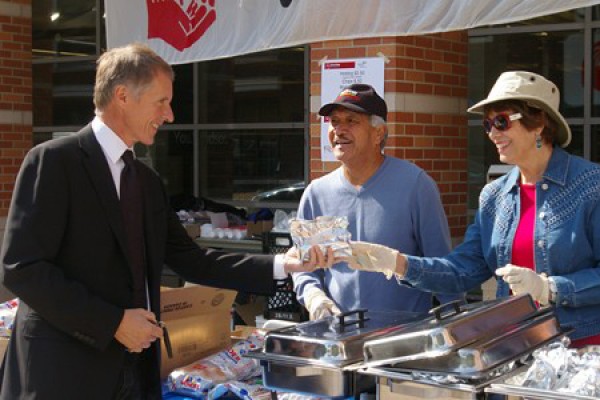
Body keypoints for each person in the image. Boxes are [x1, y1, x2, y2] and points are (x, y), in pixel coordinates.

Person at [0, 43, 322, 399]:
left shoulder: (146, 181)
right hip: (63, 375)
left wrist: (285, 265)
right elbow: (22, 268)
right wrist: (114, 323)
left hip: (135, 374)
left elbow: (192, 260)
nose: (169, 115)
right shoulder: (53, 162)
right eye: (161, 102)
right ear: (122, 95)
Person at [343, 71, 600, 347]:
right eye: (487, 124)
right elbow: (462, 271)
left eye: (502, 121)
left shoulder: (590, 185)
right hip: (517, 348)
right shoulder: (495, 196)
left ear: (538, 124)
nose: (493, 133)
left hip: (582, 348)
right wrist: (398, 263)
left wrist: (548, 288)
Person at [292, 83, 462, 320]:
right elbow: (304, 266)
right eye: (334, 122)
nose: (339, 130)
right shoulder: (316, 194)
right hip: (338, 340)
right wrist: (313, 296)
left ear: (378, 133)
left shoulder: (415, 185)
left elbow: (443, 270)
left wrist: (458, 327)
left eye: (351, 121)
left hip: (402, 342)